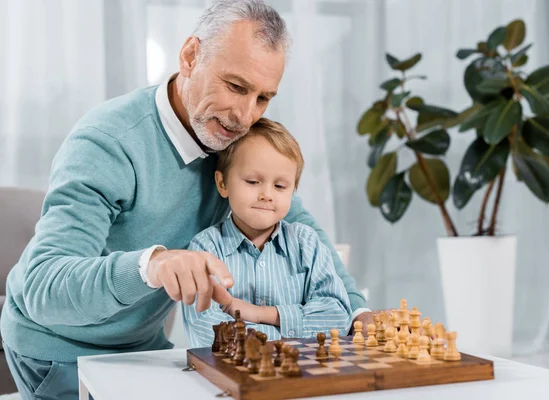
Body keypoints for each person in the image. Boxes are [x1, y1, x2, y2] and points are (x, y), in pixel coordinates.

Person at [0, 1, 369, 399]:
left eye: (263, 98)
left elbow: (297, 223)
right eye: (236, 86)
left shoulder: (233, 138)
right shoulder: (108, 142)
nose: (245, 116)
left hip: (140, 346)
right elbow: (43, 287)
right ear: (191, 56)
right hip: (59, 348)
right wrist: (151, 264)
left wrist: (359, 313)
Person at [183, 118, 352, 348]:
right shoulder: (205, 249)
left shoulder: (307, 243)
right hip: (228, 377)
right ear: (223, 184)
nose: (267, 195)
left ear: (293, 191)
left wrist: (263, 314)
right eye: (253, 181)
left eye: (280, 186)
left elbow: (337, 317)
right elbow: (206, 329)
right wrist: (288, 338)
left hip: (299, 376)